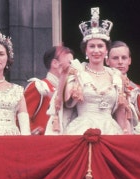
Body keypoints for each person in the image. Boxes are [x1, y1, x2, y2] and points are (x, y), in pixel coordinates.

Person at [48, 7, 130, 135]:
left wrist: (126, 134)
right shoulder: (77, 72)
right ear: (86, 50)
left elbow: (120, 113)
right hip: (81, 131)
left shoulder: (116, 76)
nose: (96, 51)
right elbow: (66, 101)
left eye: (100, 46)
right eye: (91, 46)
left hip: (111, 130)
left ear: (107, 50)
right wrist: (64, 75)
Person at [23, 46, 73, 135]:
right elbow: (23, 116)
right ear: (55, 63)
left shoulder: (70, 90)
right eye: (69, 62)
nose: (72, 66)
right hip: (43, 142)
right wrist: (34, 130)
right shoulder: (38, 86)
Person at [106, 40, 140, 131]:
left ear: (129, 60)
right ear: (107, 61)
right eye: (115, 58)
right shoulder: (100, 88)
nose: (120, 62)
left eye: (124, 58)